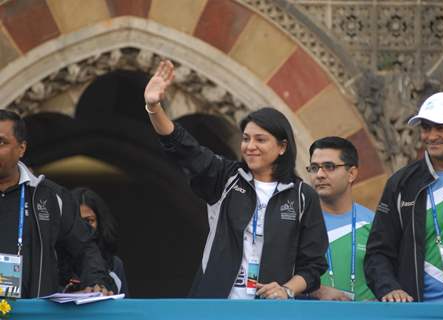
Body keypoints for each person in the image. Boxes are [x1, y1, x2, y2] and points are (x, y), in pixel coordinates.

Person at [143, 60, 328, 299]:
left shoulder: (303, 196)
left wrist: (286, 289)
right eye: (246, 139)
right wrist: (154, 106)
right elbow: (184, 147)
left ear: (282, 147)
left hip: (272, 311)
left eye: (260, 140)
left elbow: (313, 265)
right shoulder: (226, 177)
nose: (250, 147)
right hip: (217, 306)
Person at [365, 92, 443, 303]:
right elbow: (378, 252)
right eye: (426, 128)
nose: (431, 136)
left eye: (441, 127)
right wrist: (389, 288)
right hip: (417, 312)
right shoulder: (402, 183)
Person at [0, 109, 112, 298]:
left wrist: (96, 282)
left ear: (21, 148)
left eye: (1, 142)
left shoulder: (49, 196)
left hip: (33, 314)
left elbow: (84, 247)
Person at [306, 137, 375, 301]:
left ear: (351, 173)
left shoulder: (374, 224)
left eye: (329, 167)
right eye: (314, 168)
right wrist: (317, 290)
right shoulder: (299, 223)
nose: (320, 175)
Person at [58, 188, 128, 296]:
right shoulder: (53, 261)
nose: (84, 227)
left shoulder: (114, 264)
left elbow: (124, 308)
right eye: (78, 222)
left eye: (89, 220)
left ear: (100, 223)